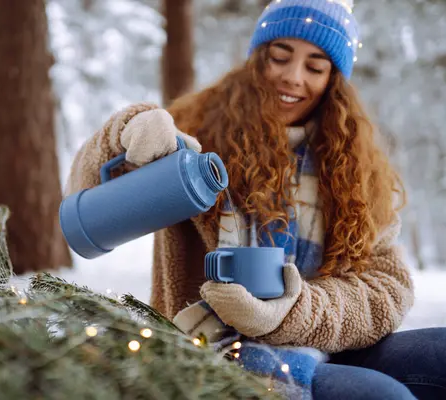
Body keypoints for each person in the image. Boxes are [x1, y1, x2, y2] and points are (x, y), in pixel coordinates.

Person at [64, 0, 446, 398]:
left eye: (315, 67)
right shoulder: (199, 136)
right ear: (257, 58)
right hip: (213, 349)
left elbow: (387, 288)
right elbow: (88, 195)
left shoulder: (352, 167)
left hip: (322, 341)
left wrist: (290, 313)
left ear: (334, 80)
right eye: (280, 57)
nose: (293, 78)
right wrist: (126, 132)